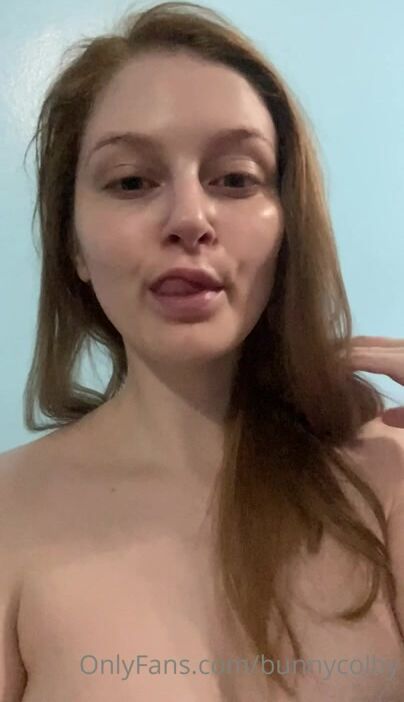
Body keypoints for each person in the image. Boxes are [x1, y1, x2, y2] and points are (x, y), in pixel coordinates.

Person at [0, 2, 403, 700]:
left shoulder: (388, 478)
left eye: (236, 178)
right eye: (131, 181)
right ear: (74, 246)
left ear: (288, 225)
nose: (189, 219)